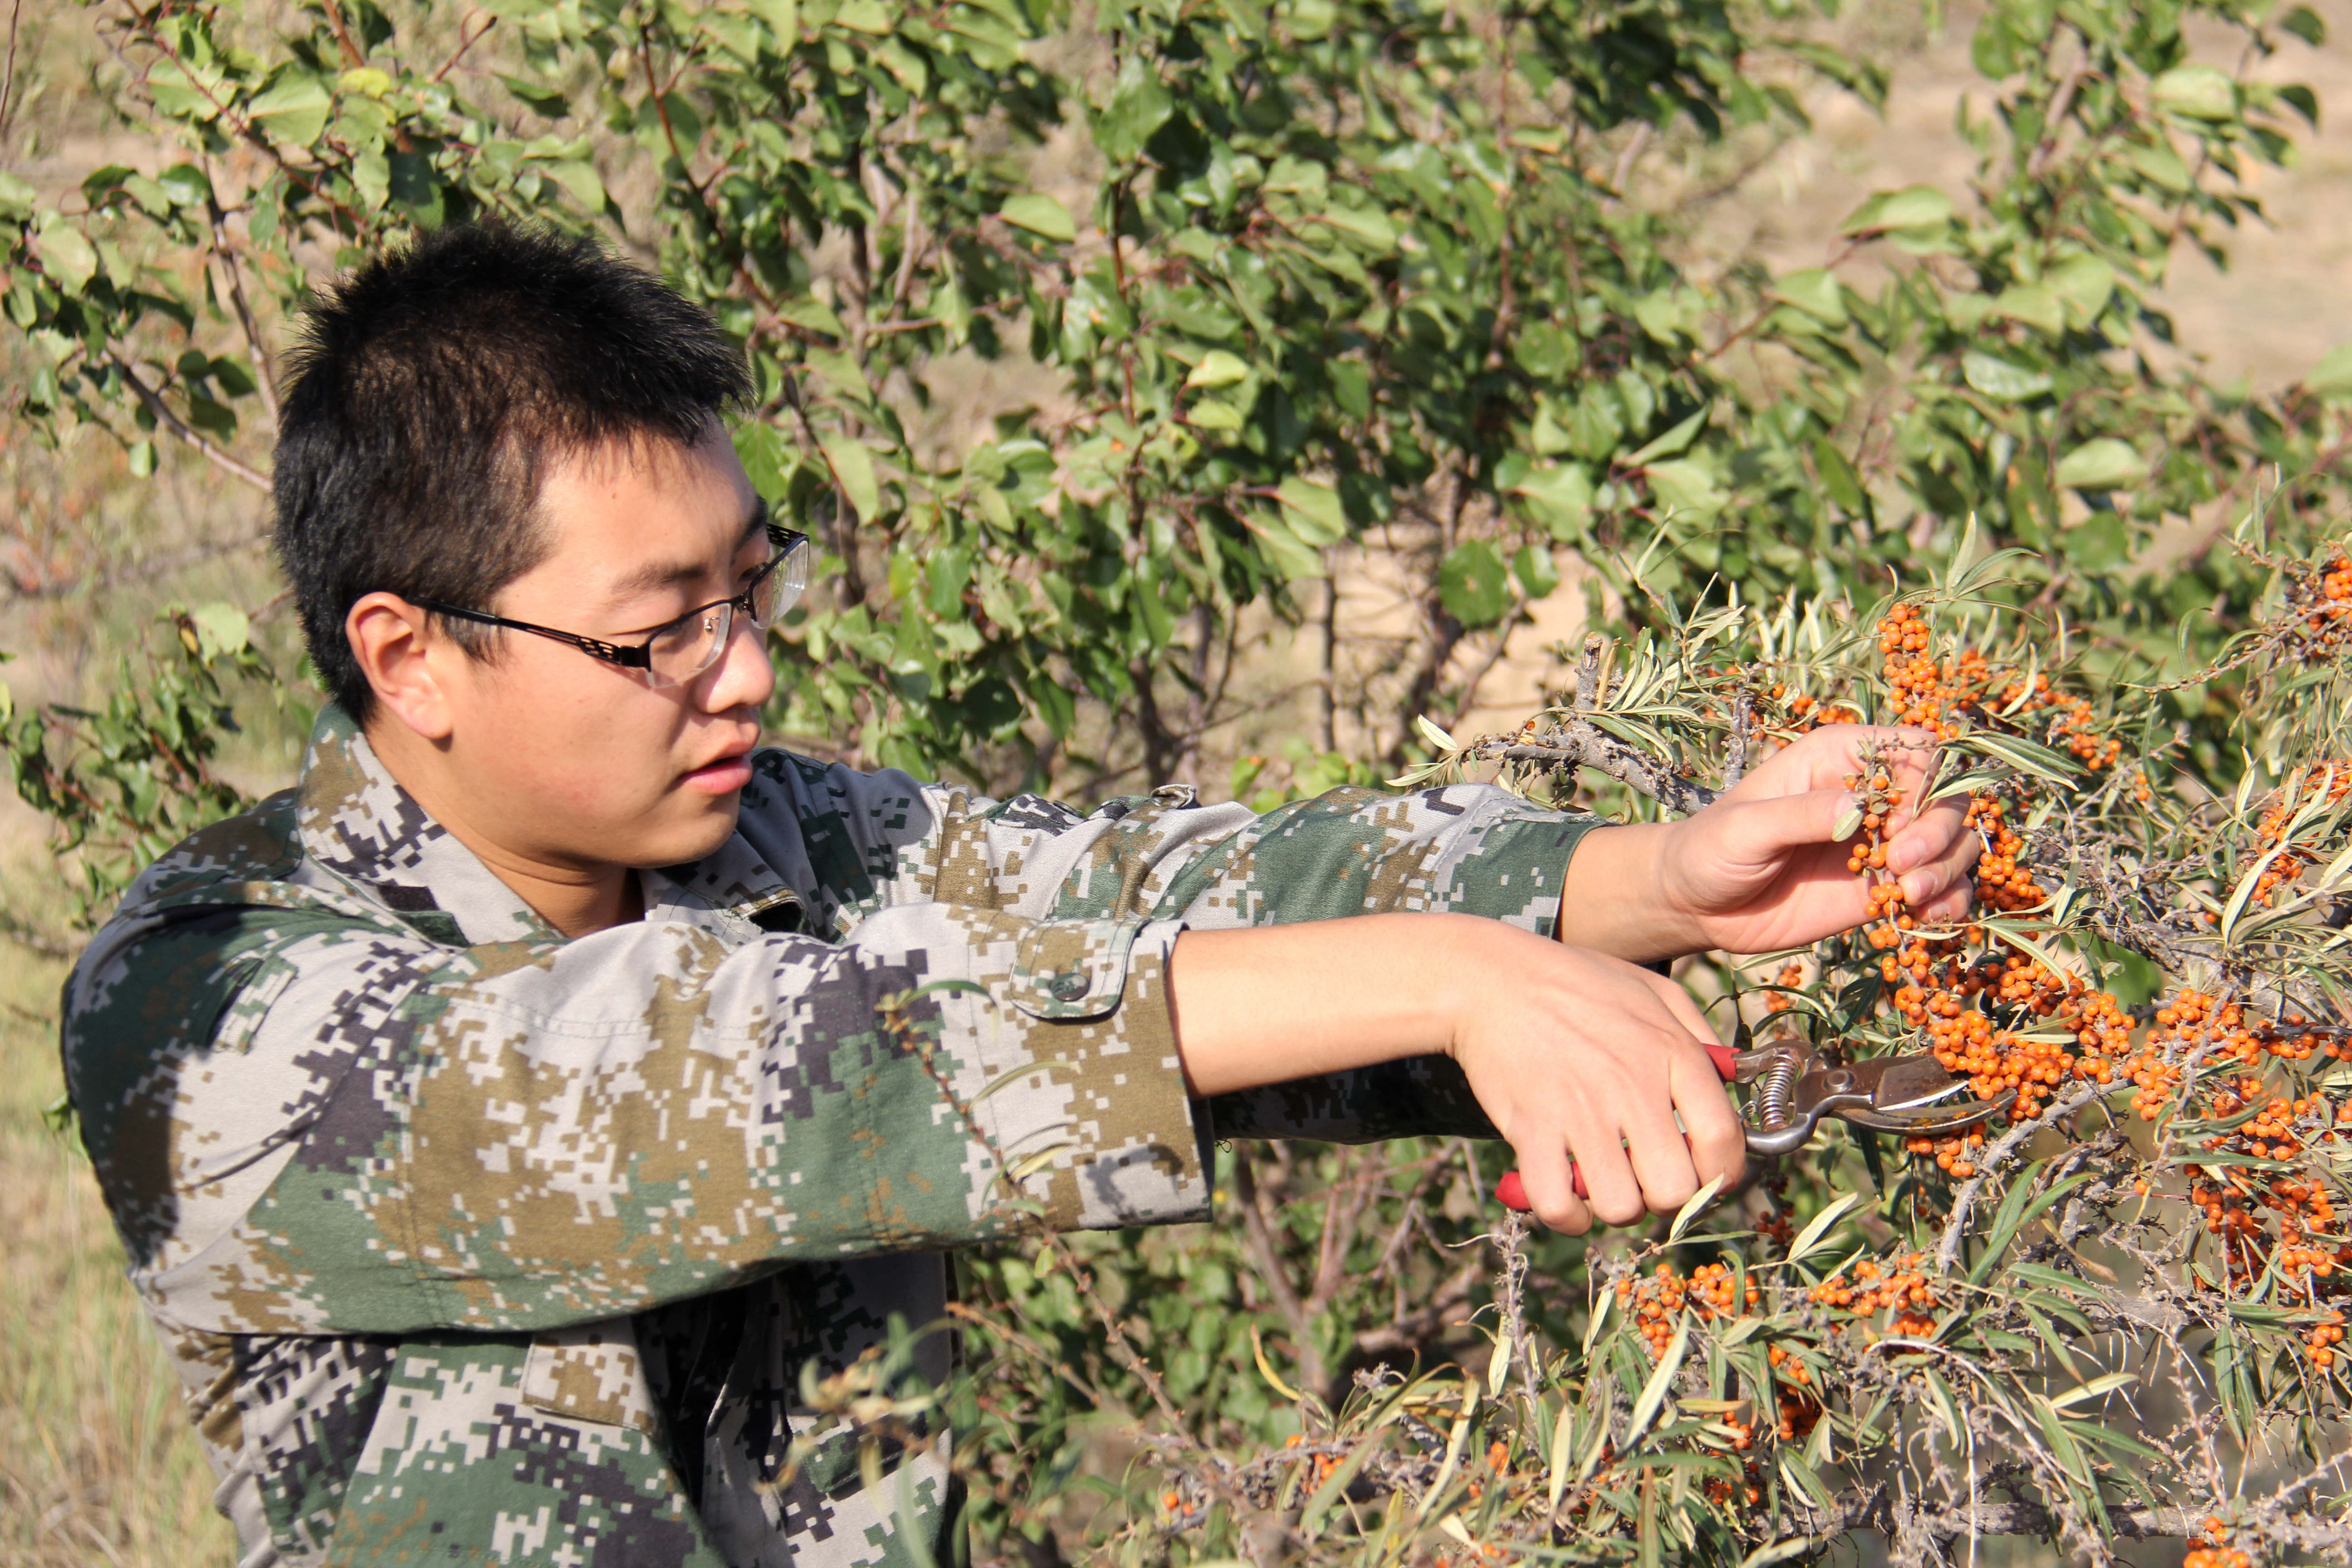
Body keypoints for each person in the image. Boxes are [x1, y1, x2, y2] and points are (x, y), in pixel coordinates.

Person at [59, 223, 1977, 1568]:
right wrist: (1455, 973)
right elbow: (749, 1082)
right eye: (664, 632)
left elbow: (1164, 890)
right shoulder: (211, 995)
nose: (746, 670)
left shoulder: (778, 840)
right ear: (410, 656)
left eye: (756, 588)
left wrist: (1646, 882)